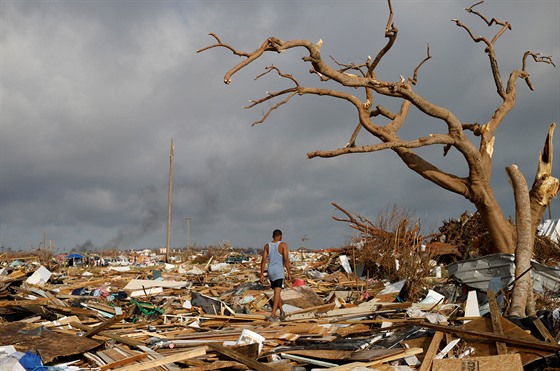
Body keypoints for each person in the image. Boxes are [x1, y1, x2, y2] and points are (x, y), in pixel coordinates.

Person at [260, 229, 292, 321]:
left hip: (270, 271)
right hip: (278, 271)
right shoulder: (283, 245)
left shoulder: (267, 246)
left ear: (273, 236)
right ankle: (273, 314)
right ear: (280, 236)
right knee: (277, 293)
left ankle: (282, 312)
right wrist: (289, 273)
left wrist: (262, 274)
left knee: (276, 293)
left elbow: (263, 261)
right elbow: (286, 260)